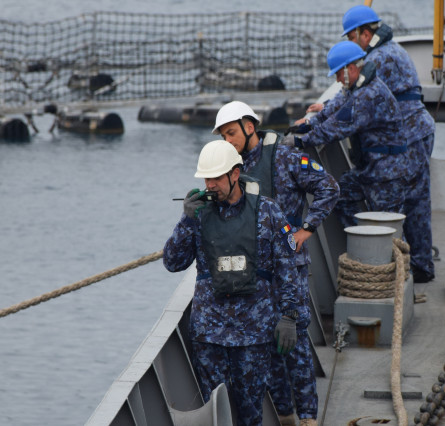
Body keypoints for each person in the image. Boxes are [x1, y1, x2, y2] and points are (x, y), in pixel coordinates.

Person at [212, 101, 340, 426]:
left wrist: (306, 229)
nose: (228, 140)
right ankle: (285, 415)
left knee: (295, 343)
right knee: (267, 347)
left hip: (289, 267)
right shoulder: (230, 169)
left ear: (249, 127)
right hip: (253, 272)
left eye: (231, 133)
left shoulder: (285, 157)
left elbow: (328, 187)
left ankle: (308, 417)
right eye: (223, 136)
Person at [163, 140, 299, 426]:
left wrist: (289, 316)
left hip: (254, 333)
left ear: (235, 174)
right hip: (209, 335)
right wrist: (186, 220)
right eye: (206, 179)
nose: (210, 185)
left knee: (251, 412)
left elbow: (287, 268)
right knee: (217, 413)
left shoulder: (268, 212)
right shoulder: (198, 215)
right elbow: (173, 262)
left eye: (216, 178)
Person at [299, 5, 437, 283]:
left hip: (410, 134)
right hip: (410, 133)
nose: (353, 43)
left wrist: (310, 129)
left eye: (352, 37)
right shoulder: (383, 54)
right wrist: (325, 111)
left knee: (411, 201)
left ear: (365, 34)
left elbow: (355, 102)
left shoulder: (381, 58)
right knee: (413, 199)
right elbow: (350, 94)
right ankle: (419, 263)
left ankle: (411, 266)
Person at [284, 41, 416, 234]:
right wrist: (310, 123)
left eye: (338, 74)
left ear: (351, 69)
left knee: (389, 232)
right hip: (370, 168)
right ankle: (363, 241)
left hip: (387, 174)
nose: (338, 80)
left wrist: (300, 141)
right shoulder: (355, 87)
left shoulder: (369, 94)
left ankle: (381, 248)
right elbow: (335, 106)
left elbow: (337, 126)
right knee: (340, 196)